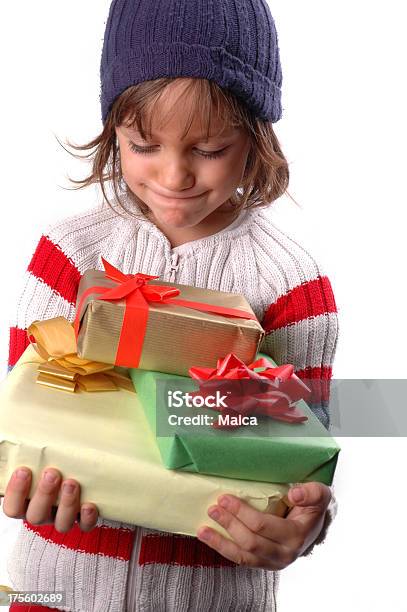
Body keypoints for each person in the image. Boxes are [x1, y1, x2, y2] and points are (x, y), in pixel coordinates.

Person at [1, 0, 339, 610]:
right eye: (143, 144)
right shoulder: (70, 255)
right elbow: (19, 417)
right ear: (113, 130)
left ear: (256, 136)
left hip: (211, 596)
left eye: (208, 149)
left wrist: (307, 523)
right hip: (52, 590)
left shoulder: (292, 285)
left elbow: (303, 457)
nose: (174, 175)